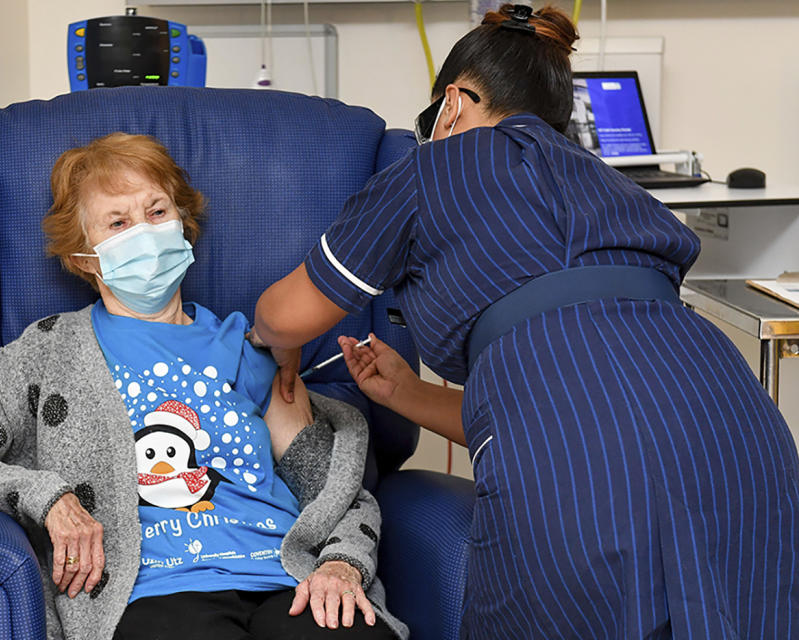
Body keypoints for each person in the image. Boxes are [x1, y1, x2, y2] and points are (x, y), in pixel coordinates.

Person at [250, 4, 799, 639]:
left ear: (451, 103)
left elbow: (287, 314)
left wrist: (266, 341)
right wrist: (404, 393)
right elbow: (581, 393)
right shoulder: (613, 185)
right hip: (739, 432)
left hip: (577, 466)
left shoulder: (431, 170)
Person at [0, 133, 407, 640]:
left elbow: (333, 491)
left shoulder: (248, 349)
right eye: (118, 223)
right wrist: (49, 497)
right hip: (154, 591)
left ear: (183, 227)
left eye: (156, 212)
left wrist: (341, 566)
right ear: (86, 256)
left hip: (286, 577)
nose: (144, 234)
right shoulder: (45, 353)